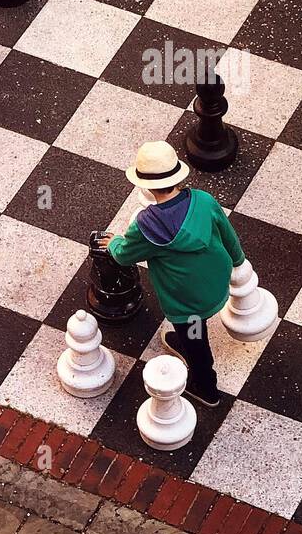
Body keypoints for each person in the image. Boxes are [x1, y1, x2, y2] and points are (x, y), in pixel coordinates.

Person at [94, 141, 244, 408]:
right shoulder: (204, 199)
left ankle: (207, 388)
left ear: (146, 185)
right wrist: (238, 261)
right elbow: (227, 234)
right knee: (194, 328)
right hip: (215, 279)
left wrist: (114, 243)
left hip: (187, 300)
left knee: (196, 340)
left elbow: (124, 255)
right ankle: (184, 342)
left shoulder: (146, 225)